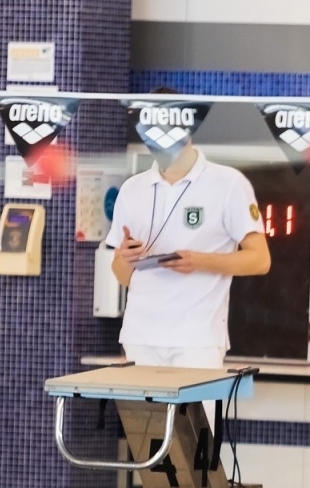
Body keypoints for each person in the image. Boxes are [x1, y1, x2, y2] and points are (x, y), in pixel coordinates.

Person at [106, 125, 271, 371]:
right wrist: (125, 258)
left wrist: (200, 261)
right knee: (143, 412)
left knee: (195, 412)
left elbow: (260, 260)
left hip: (197, 339)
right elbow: (122, 276)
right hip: (140, 337)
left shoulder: (228, 183)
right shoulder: (132, 189)